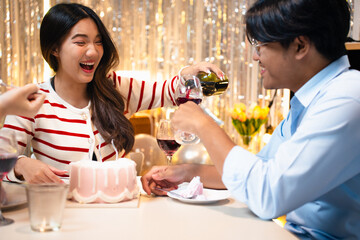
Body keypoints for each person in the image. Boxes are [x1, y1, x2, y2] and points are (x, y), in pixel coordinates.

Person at [141, 0, 360, 239]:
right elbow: (258, 171)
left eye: (261, 45)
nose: (256, 57)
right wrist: (185, 172)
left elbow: (268, 195)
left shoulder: (347, 98)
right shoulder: (313, 99)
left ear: (300, 46)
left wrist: (203, 124)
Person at [2, 3, 223, 184]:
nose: (93, 51)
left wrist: (187, 74)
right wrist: (21, 164)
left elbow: (168, 91)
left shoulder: (114, 88)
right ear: (54, 49)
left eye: (98, 42)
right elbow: (3, 157)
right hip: (64, 217)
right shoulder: (32, 101)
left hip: (119, 213)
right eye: (80, 42)